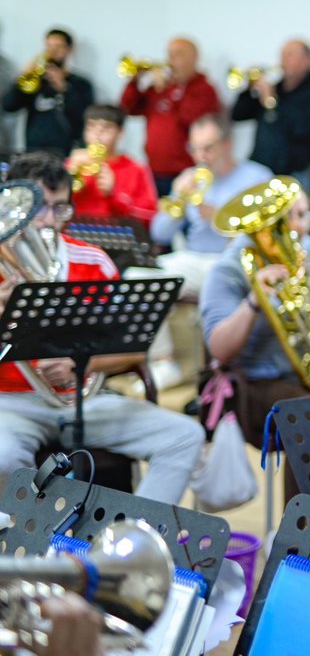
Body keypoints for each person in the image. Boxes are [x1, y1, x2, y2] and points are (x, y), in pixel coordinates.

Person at [0, 153, 203, 504]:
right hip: (12, 404)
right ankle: (35, 545)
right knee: (4, 459)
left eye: (59, 208)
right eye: (38, 208)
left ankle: (130, 542)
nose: (49, 221)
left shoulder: (93, 261)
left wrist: (83, 364)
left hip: (86, 399)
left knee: (185, 436)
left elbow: (133, 349)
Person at [200, 187, 310, 497]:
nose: (298, 227)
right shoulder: (230, 267)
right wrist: (254, 302)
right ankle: (300, 534)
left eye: (303, 215)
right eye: (287, 219)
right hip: (255, 383)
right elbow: (219, 348)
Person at [148, 114, 273, 298]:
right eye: (193, 149)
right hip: (193, 258)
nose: (200, 157)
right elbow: (159, 235)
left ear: (227, 144)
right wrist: (178, 199)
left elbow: (266, 237)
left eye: (208, 149)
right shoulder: (190, 177)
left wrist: (220, 218)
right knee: (135, 278)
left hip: (233, 262)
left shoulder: (257, 177)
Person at [120, 37, 221, 196]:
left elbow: (191, 119)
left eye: (178, 55)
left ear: (194, 58)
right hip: (154, 169)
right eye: (169, 54)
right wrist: (135, 81)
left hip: (186, 172)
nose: (171, 60)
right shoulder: (161, 87)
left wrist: (177, 94)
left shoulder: (204, 89)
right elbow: (128, 108)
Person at [232, 39, 310, 193]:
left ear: (307, 61)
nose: (283, 60)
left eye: (291, 55)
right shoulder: (275, 89)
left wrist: (271, 102)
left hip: (292, 176)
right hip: (260, 172)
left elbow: (299, 130)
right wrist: (249, 89)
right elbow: (237, 115)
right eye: (282, 54)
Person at [2, 27, 94, 156]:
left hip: (66, 152)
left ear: (70, 49)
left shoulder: (81, 84)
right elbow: (8, 106)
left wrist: (64, 89)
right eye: (48, 46)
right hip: (33, 151)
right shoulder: (35, 81)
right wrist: (21, 79)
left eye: (58, 47)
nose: (52, 52)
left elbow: (84, 118)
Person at [66, 104, 157, 227]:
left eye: (106, 128)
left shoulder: (136, 169)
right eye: (91, 126)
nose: (97, 135)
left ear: (120, 133)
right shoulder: (73, 163)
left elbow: (149, 216)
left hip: (118, 236)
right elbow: (53, 206)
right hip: (75, 233)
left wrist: (115, 194)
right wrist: (68, 176)